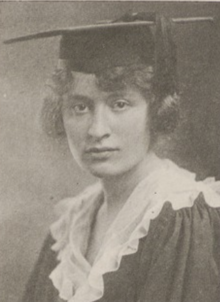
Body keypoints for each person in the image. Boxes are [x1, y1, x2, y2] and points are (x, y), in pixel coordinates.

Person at [5, 12, 220, 302]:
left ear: (154, 109)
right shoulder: (70, 224)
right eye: (80, 107)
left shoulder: (179, 215)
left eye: (119, 104)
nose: (97, 130)